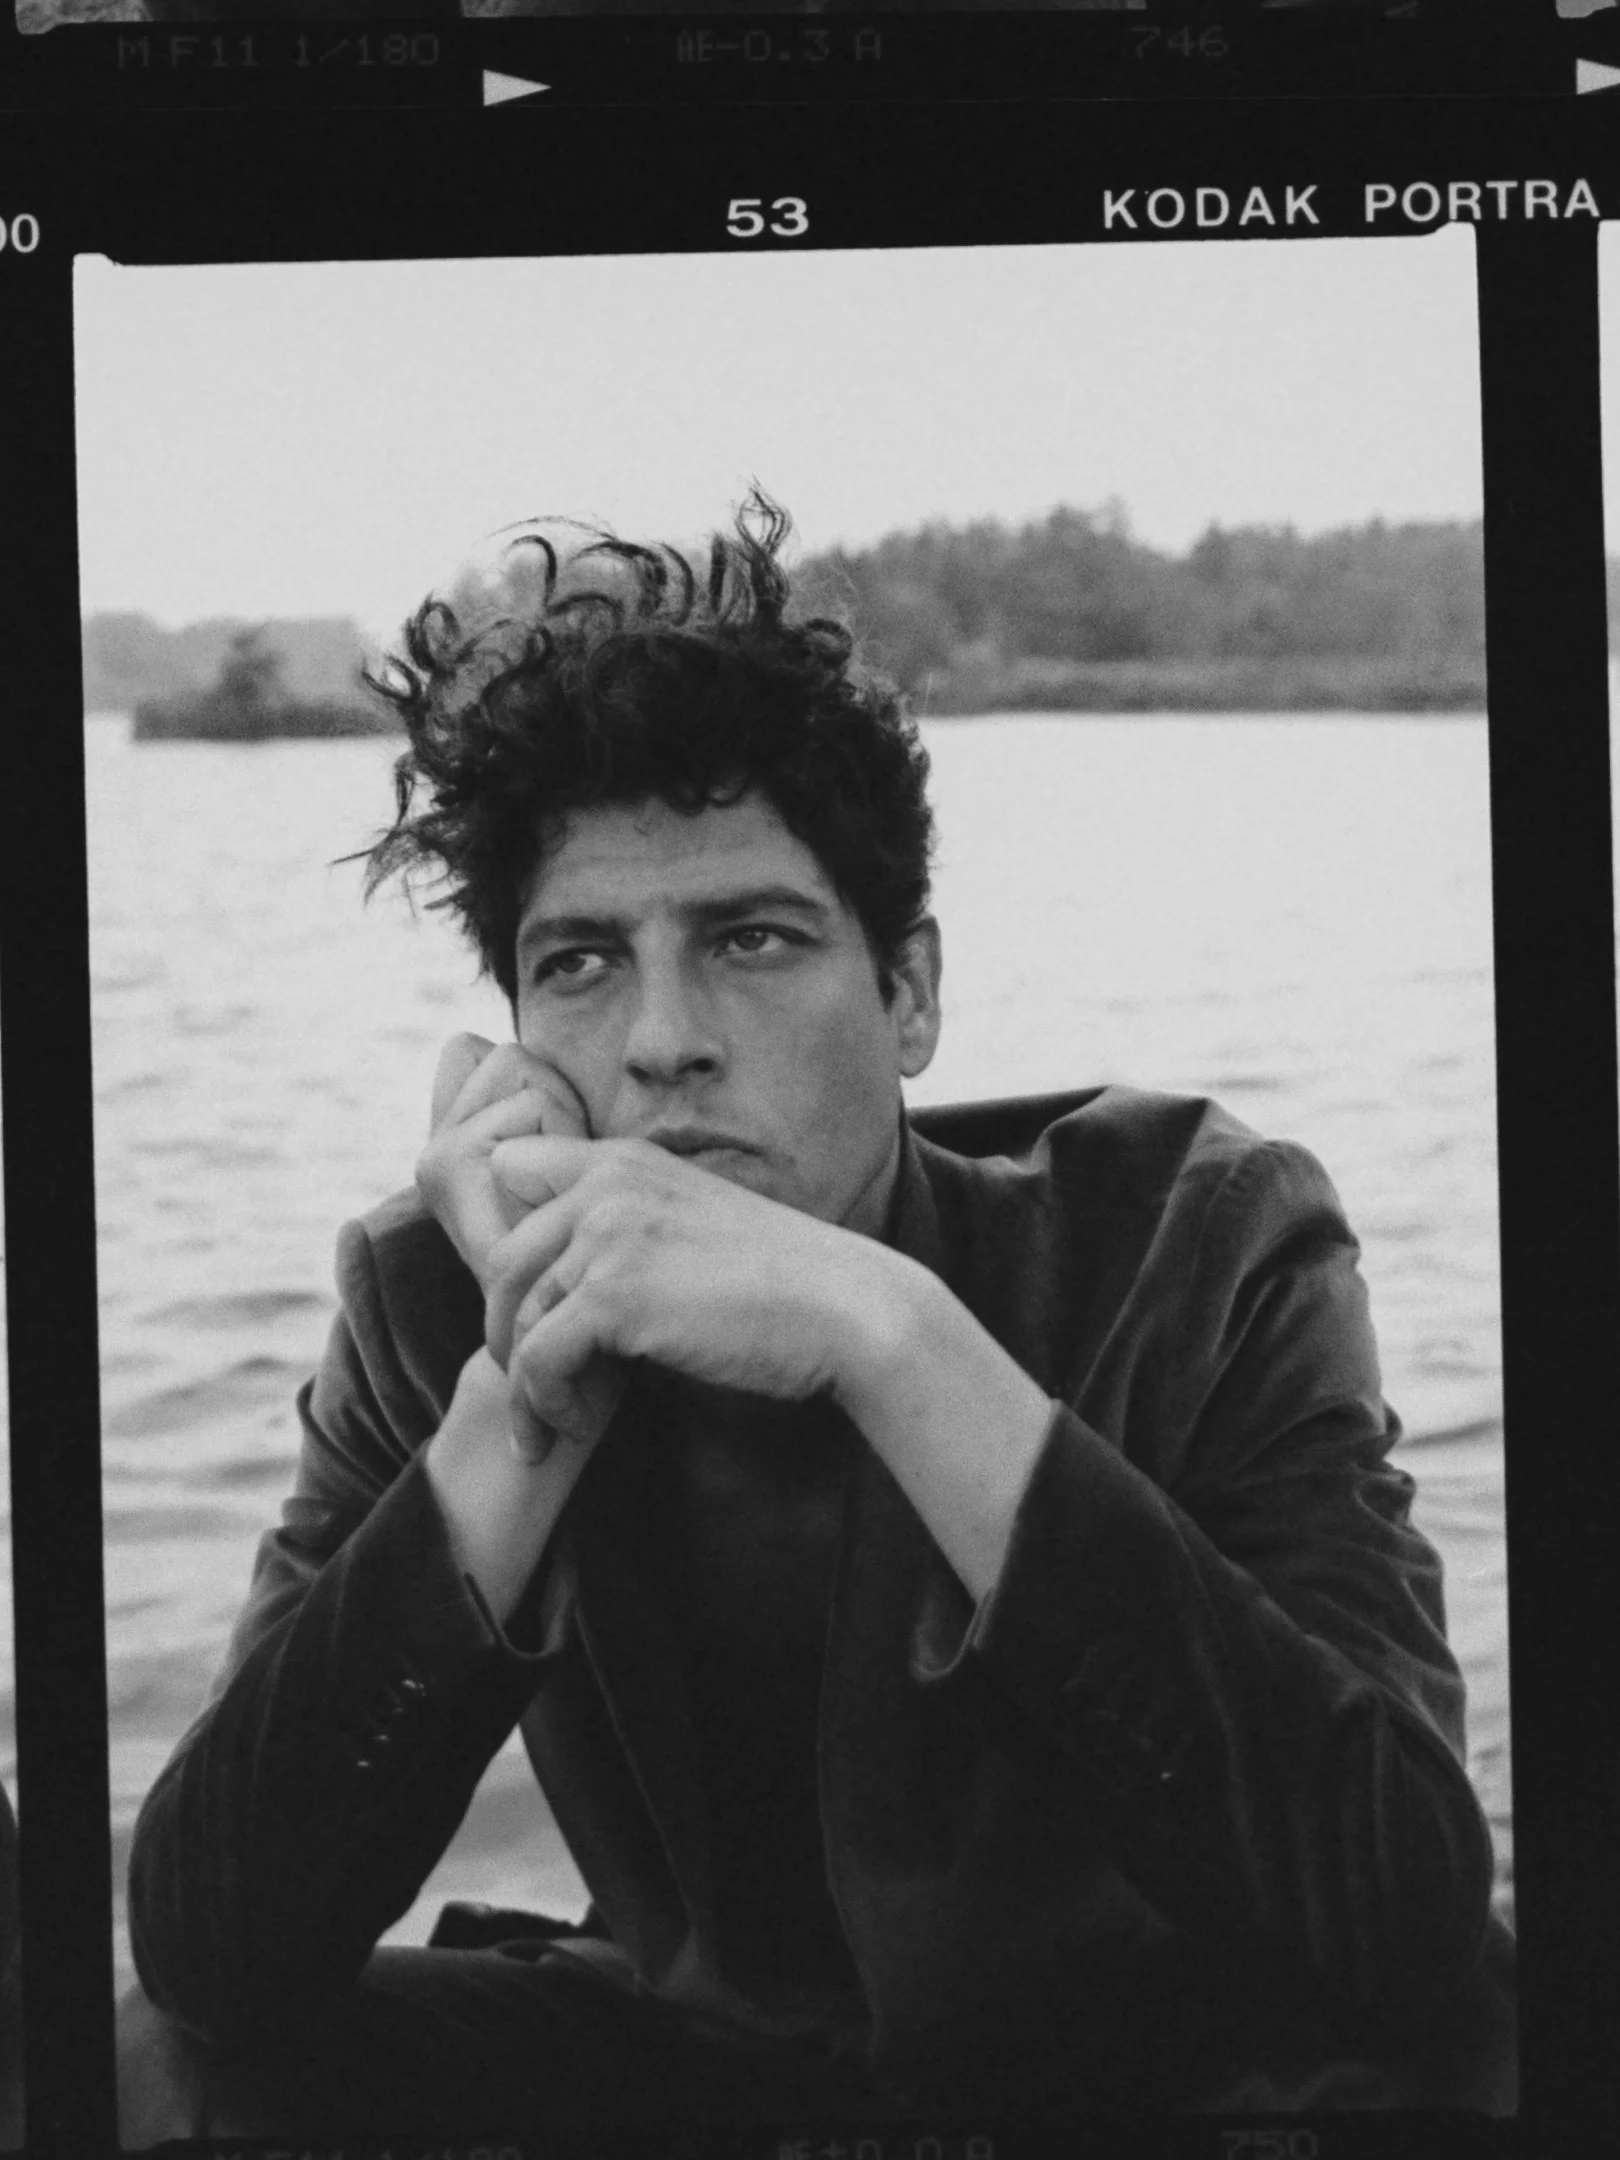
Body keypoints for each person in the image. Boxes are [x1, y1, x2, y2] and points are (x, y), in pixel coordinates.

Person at [118, 492, 1514, 2139]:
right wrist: (523, 1401)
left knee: (1519, 2031)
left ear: (910, 993)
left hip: (1164, 2064)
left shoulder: (1197, 1240)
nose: (664, 1039)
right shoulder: (434, 1302)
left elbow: (1399, 1917)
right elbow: (216, 1956)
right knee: (159, 2069)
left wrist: (891, 1339)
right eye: (581, 964)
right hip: (687, 2063)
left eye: (754, 939)